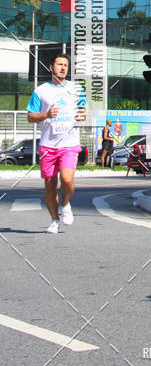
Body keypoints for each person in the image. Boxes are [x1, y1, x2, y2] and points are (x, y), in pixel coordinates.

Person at [26, 52, 86, 233]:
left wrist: (82, 115)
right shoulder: (41, 91)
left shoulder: (76, 89)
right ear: (51, 67)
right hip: (48, 145)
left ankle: (66, 204)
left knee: (67, 179)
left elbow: (83, 110)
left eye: (65, 65)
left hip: (69, 143)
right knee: (50, 184)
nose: (62, 68)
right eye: (59, 65)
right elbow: (30, 116)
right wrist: (46, 115)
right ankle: (54, 220)